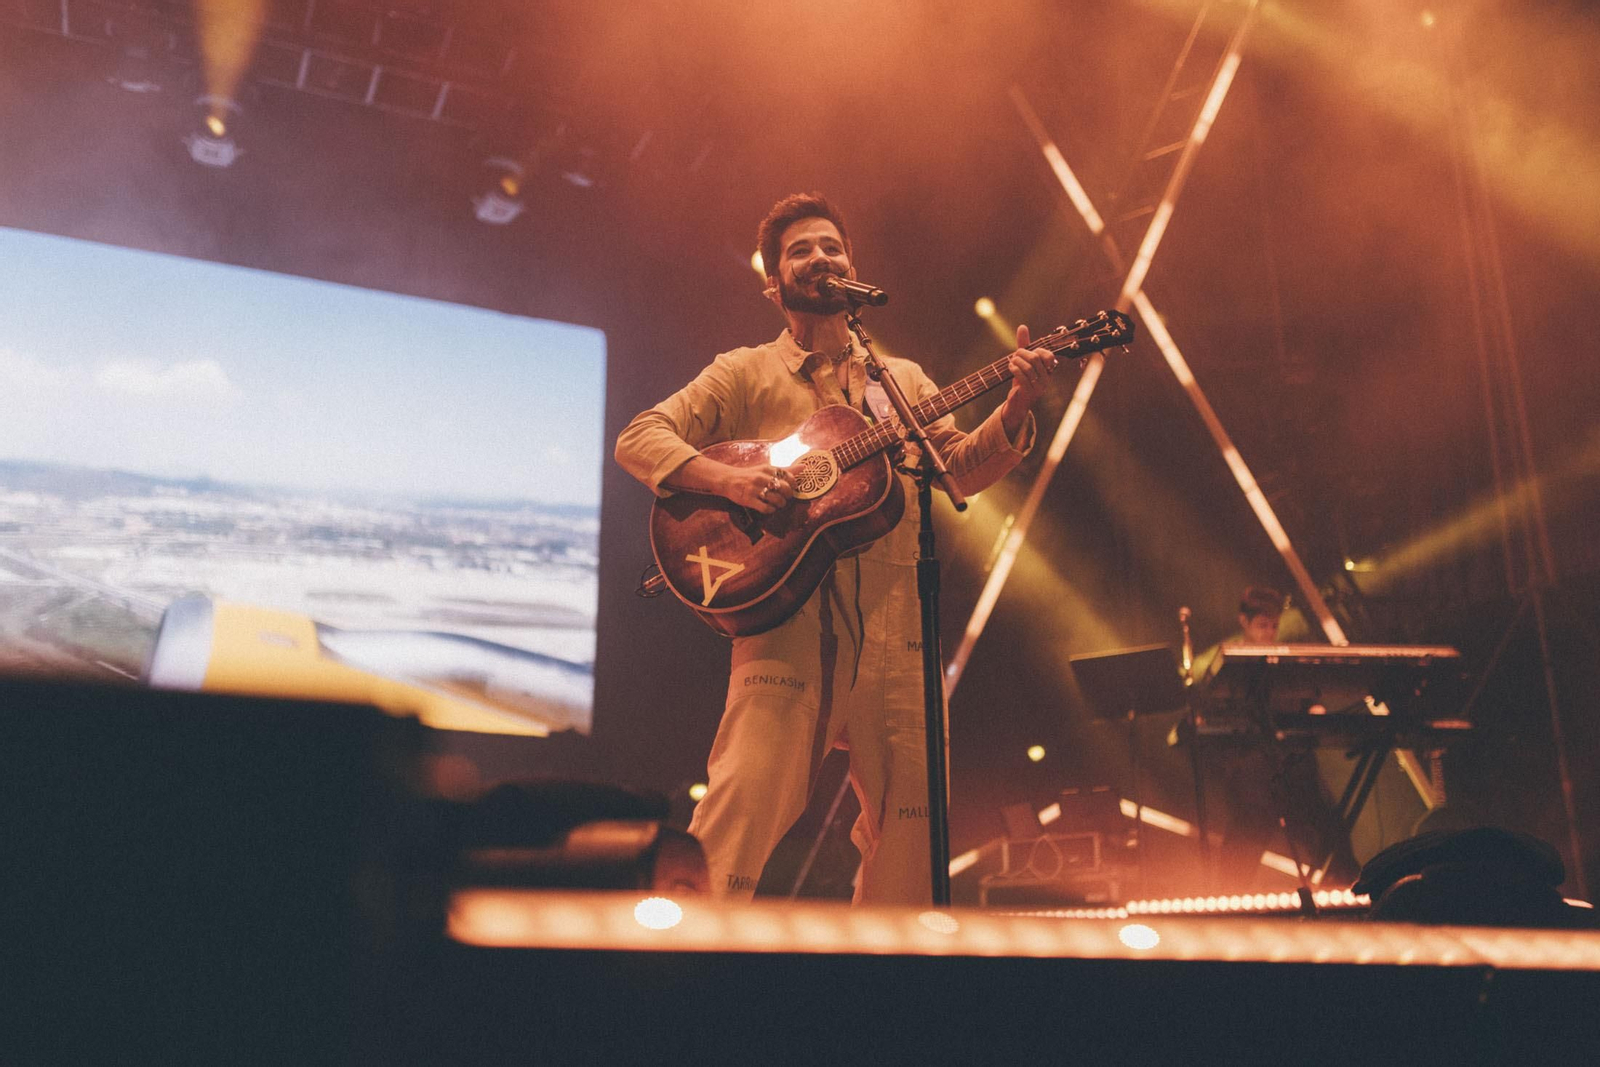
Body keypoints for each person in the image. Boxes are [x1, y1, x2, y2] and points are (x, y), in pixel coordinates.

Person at [615, 192, 1060, 904]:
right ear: (774, 282)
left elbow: (957, 468)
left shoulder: (901, 381)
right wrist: (731, 481)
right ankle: (687, 954)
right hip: (788, 628)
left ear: (853, 267)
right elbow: (640, 437)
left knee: (913, 834)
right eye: (800, 251)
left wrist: (1015, 406)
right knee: (740, 807)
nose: (820, 257)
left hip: (898, 632)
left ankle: (888, 970)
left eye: (831, 246)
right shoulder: (744, 371)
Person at [1208, 586, 1360, 890]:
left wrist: (1315, 710)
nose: (1269, 633)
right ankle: (1229, 898)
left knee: (1329, 824)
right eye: (1262, 625)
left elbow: (1309, 700)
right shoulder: (1229, 663)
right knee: (1249, 827)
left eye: (1274, 626)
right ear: (1244, 622)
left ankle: (1348, 891)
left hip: (1292, 762)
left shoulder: (1287, 661)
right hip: (1252, 766)